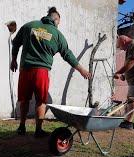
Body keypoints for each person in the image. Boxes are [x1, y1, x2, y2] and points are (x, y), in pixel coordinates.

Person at [11, 7, 91, 138]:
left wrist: (13, 60)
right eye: (58, 23)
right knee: (41, 101)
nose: (58, 25)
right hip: (41, 72)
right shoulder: (57, 34)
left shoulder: (29, 26)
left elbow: (15, 43)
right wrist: (81, 70)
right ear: (56, 19)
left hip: (25, 69)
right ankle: (38, 130)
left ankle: (21, 126)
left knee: (24, 100)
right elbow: (67, 54)